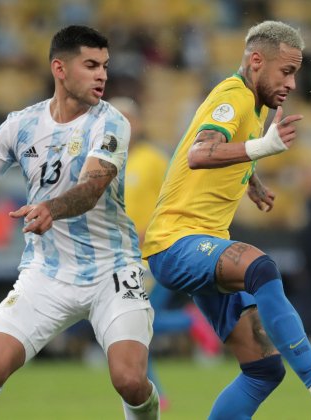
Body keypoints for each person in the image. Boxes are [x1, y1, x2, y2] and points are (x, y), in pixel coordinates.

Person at [142, 21, 311, 419]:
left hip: (202, 242)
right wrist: (263, 147)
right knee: (261, 267)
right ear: (255, 61)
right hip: (175, 242)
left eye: (295, 73)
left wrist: (252, 179)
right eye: (286, 71)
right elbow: (200, 153)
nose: (293, 83)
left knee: (263, 370)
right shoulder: (232, 95)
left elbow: (227, 149)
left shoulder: (256, 105)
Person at [0, 26, 159, 420]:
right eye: (90, 65)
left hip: (111, 269)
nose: (102, 75)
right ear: (60, 69)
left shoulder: (112, 123)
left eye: (105, 66)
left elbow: (92, 188)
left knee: (129, 380)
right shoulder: (20, 125)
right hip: (47, 271)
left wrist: (51, 209)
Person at [110, 96, 221, 410]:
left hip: (152, 254)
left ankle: (189, 321)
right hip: (122, 256)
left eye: (126, 119)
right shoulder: (113, 163)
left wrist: (151, 229)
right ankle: (156, 392)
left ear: (138, 123)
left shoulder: (153, 159)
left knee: (138, 322)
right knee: (135, 325)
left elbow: (176, 196)